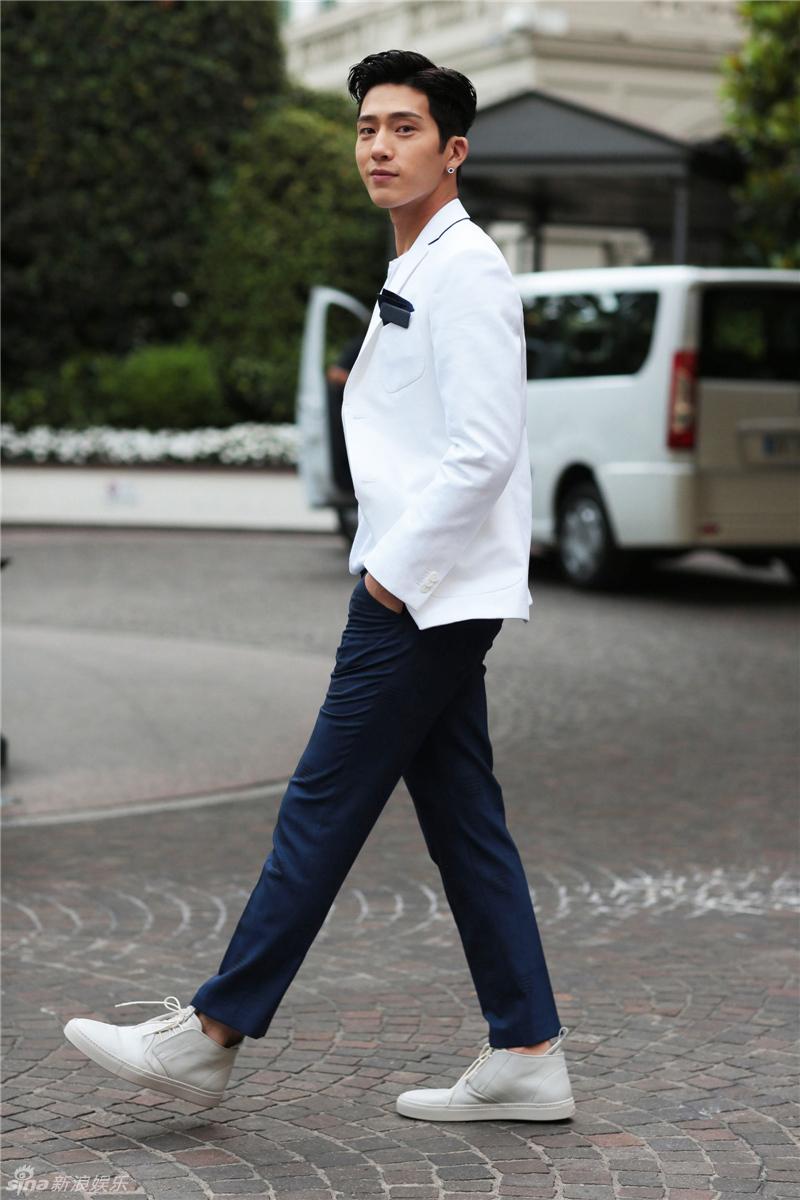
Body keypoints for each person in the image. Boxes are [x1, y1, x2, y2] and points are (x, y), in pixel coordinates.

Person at [63, 49, 575, 1123]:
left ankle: (210, 1036)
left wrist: (389, 580)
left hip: (421, 595)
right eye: (366, 128)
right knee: (464, 821)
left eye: (403, 128)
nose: (378, 147)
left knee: (322, 804)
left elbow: (484, 451)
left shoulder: (469, 269)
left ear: (453, 150)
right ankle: (527, 1053)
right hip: (430, 590)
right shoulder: (420, 261)